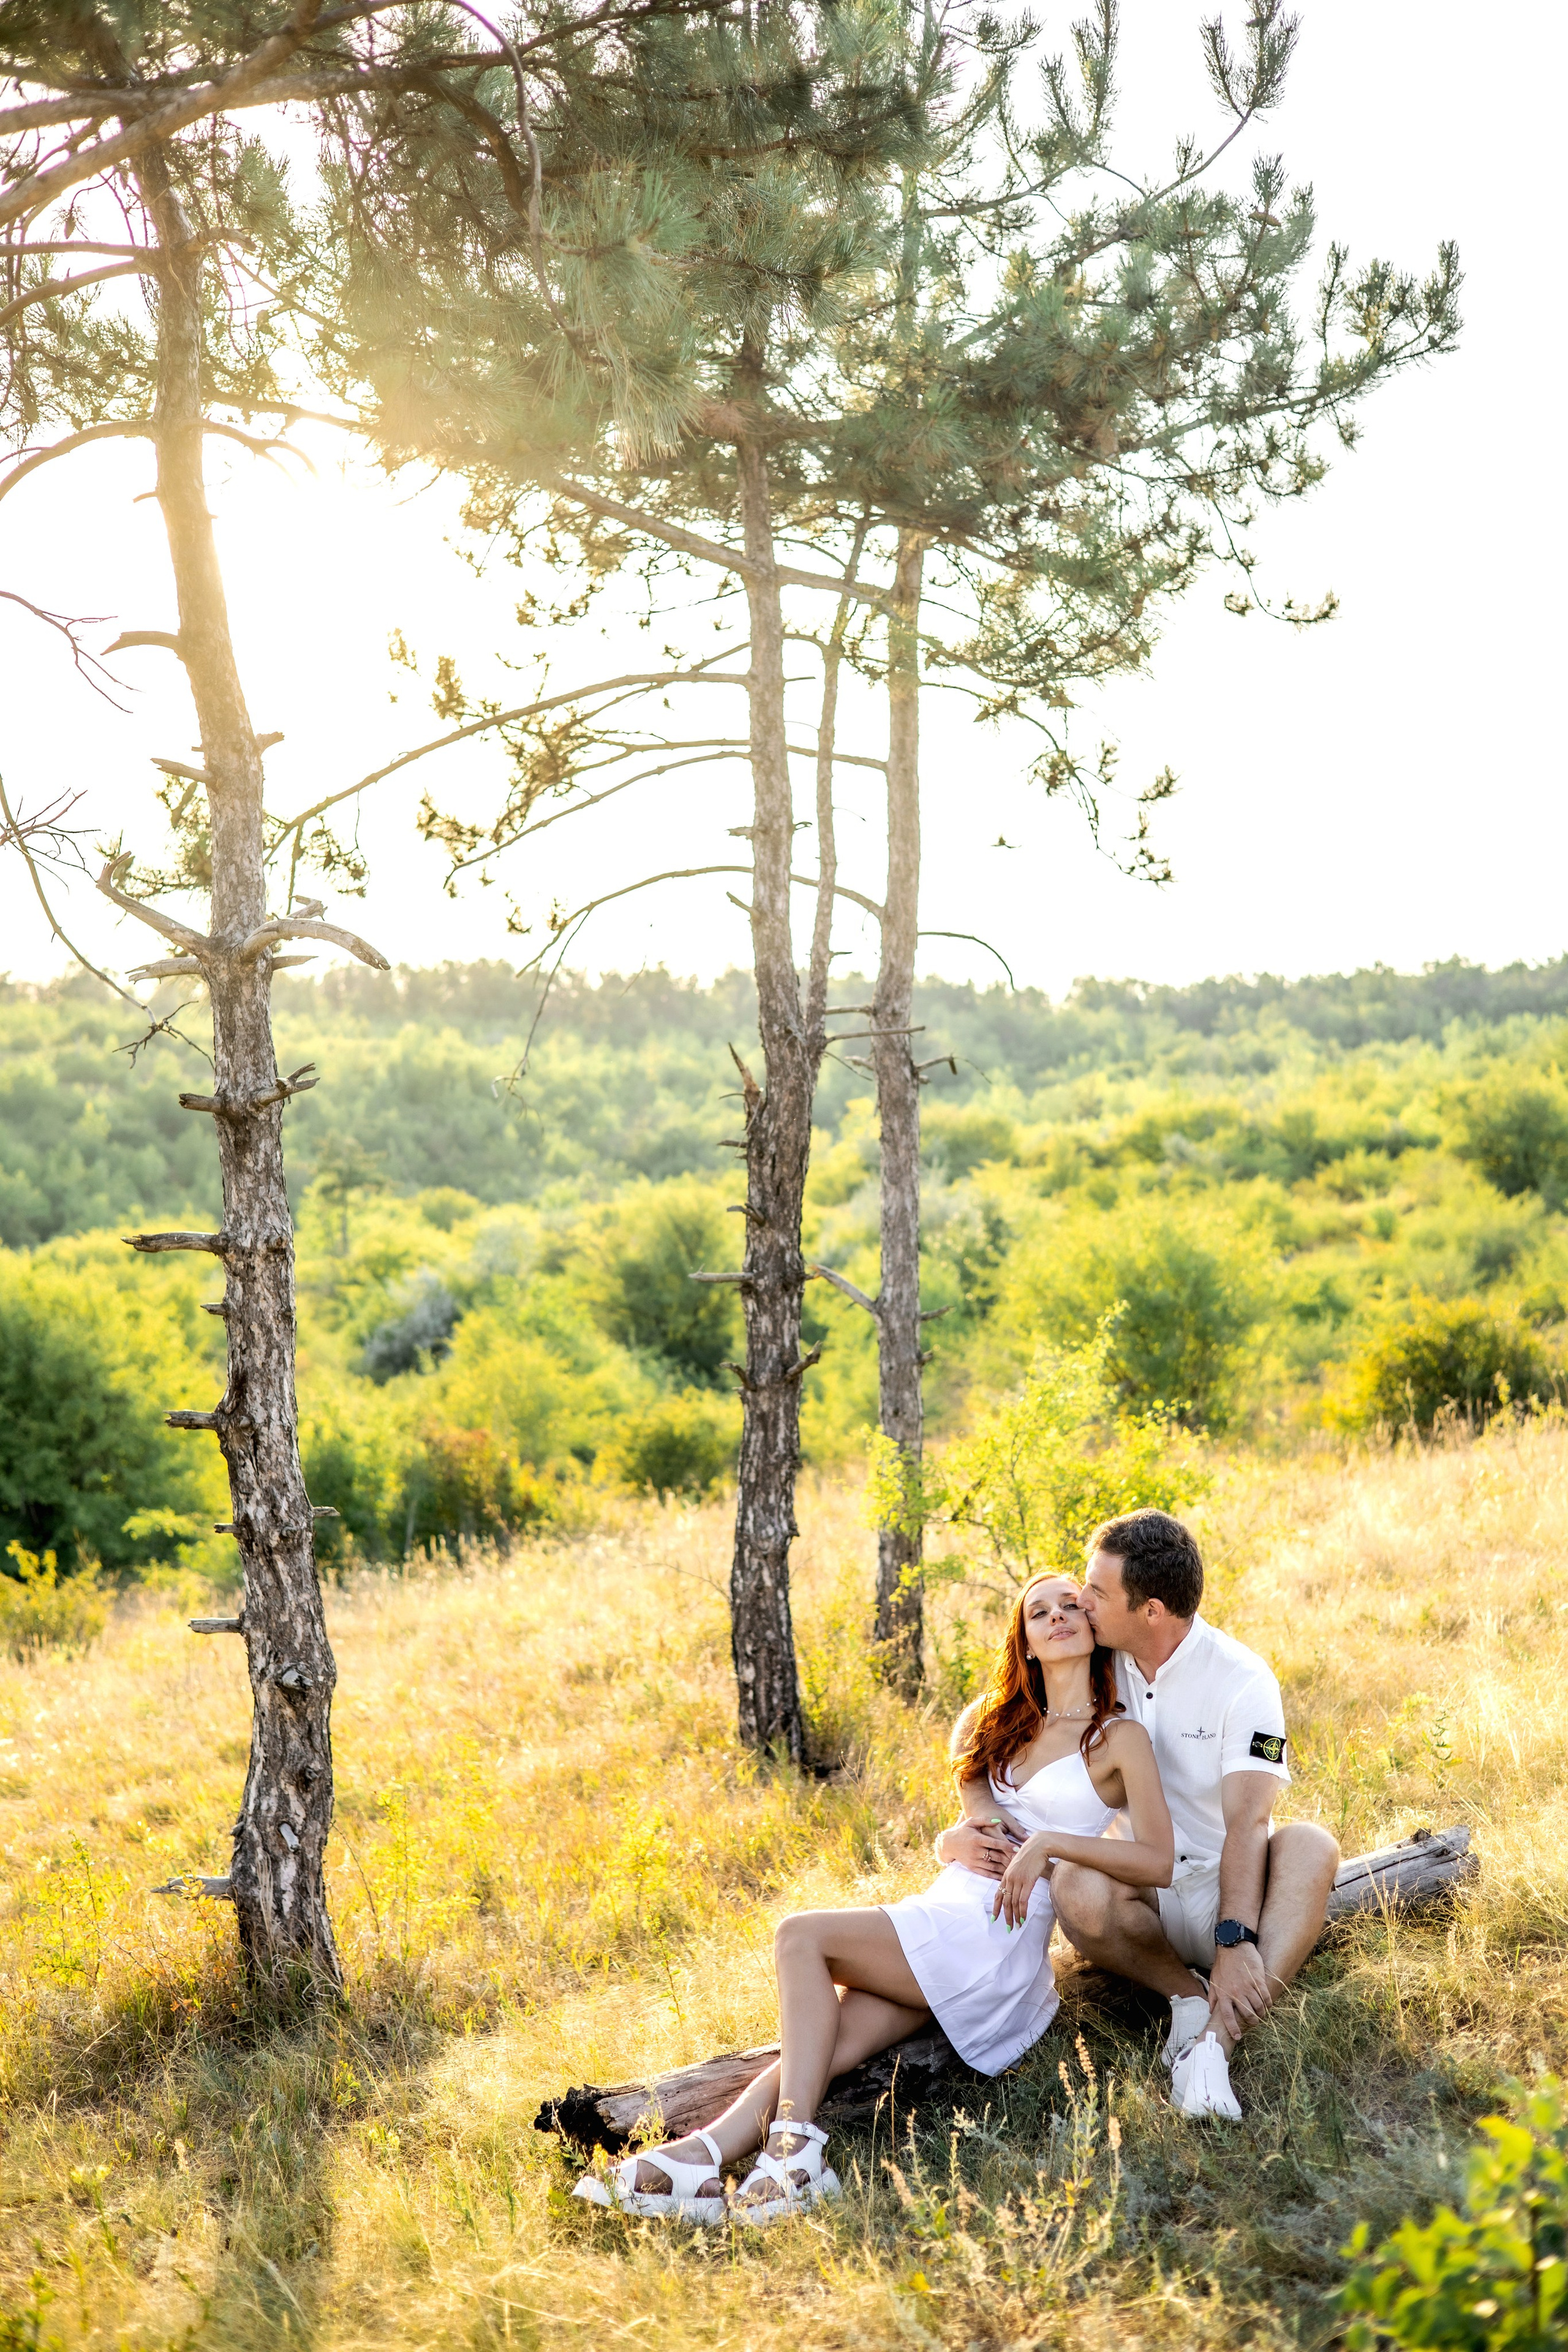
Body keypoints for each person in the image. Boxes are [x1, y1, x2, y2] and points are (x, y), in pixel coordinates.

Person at [573, 1574, 1174, 2226]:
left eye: (1069, 1608)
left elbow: (1157, 1860)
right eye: (1038, 1612)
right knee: (824, 2049)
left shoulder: (1118, 1738)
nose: (1056, 1617)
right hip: (947, 1913)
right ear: (1024, 1640)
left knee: (800, 1936)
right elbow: (972, 1813)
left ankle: (796, 2152)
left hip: (997, 1934)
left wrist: (1052, 1846)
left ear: (1092, 1627)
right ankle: (699, 2154)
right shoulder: (997, 1721)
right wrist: (950, 1841)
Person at [1053, 1507, 1341, 2122]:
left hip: (1226, 1888)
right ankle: (1183, 1995)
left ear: (1151, 1610)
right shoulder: (1094, 1659)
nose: (1082, 1600)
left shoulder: (1243, 1680)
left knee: (1312, 1845)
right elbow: (1000, 1707)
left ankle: (1214, 2045)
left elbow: (1248, 1823)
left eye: (1098, 1591)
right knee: (1072, 1882)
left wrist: (1234, 1939)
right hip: (1142, 1893)